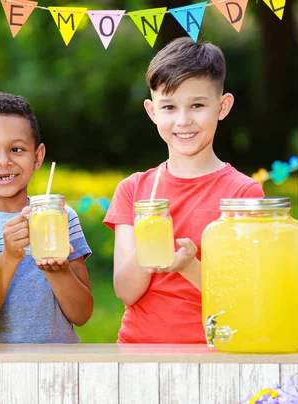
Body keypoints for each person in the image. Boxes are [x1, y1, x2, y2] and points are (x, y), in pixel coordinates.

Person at [103, 38, 265, 344]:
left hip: (213, 351)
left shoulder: (244, 193)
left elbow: (241, 295)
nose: (183, 120)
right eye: (169, 107)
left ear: (223, 106)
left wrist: (188, 265)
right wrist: (150, 242)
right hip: (137, 350)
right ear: (152, 111)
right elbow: (125, 291)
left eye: (197, 105)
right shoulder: (133, 189)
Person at [0, 91, 93, 343]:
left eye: (16, 149)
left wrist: (58, 272)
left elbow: (82, 314)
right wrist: (10, 257)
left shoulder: (60, 217)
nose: (3, 161)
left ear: (37, 157)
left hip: (58, 365)